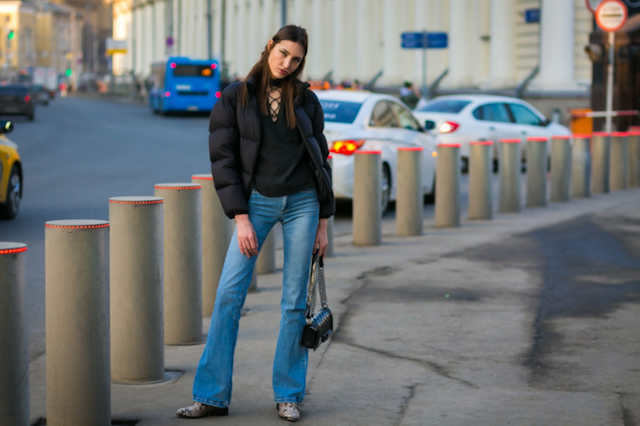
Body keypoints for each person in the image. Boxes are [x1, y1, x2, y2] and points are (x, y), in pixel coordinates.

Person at [176, 25, 334, 422]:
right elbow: (222, 159)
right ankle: (211, 396)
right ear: (269, 47)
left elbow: (321, 159)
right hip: (257, 204)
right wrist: (241, 217)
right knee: (228, 295)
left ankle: (288, 394)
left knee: (294, 302)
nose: (287, 63)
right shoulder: (236, 96)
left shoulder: (307, 100)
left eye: (296, 59)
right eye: (282, 53)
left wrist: (323, 223)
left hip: (303, 203)